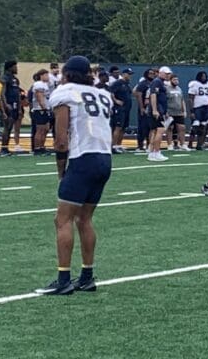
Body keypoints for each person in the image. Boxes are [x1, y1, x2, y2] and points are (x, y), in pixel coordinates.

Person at [35, 55, 113, 295]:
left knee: (63, 220)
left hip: (83, 158)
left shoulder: (64, 92)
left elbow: (60, 138)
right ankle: (87, 276)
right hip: (105, 157)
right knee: (85, 219)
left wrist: (61, 169)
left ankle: (63, 279)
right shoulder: (103, 93)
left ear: (67, 74)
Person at [145, 67, 171, 162]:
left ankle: (152, 152)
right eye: (166, 73)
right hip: (157, 110)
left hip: (160, 110)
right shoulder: (157, 82)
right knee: (160, 130)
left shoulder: (160, 82)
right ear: (161, 73)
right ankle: (156, 152)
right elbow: (153, 95)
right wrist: (155, 110)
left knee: (156, 131)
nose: (168, 75)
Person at [0, 60, 23, 155]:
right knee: (7, 126)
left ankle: (6, 148)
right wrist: (5, 104)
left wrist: (19, 108)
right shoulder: (5, 78)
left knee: (10, 127)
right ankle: (3, 148)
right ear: (10, 67)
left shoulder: (15, 79)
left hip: (15, 105)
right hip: (8, 105)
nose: (16, 68)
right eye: (15, 66)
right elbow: (2, 93)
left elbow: (18, 94)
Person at [108, 68, 134, 154]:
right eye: (128, 74)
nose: (130, 76)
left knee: (123, 127)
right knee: (118, 127)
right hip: (119, 109)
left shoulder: (127, 84)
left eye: (130, 74)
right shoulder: (118, 83)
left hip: (126, 108)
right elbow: (110, 92)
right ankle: (113, 146)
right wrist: (115, 101)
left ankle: (119, 145)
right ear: (123, 74)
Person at [187, 71, 208, 151]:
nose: (204, 78)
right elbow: (190, 98)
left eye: (205, 76)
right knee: (195, 126)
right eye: (202, 76)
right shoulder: (194, 84)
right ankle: (190, 144)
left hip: (206, 108)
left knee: (204, 126)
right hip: (197, 108)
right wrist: (191, 111)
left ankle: (200, 144)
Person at [132, 69, 155, 153]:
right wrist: (141, 107)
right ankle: (140, 145)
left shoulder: (154, 83)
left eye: (153, 73)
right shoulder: (143, 83)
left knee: (151, 127)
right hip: (145, 107)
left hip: (152, 108)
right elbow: (138, 95)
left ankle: (149, 145)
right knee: (142, 127)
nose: (152, 75)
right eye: (150, 73)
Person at [29, 70, 52, 155]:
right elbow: (40, 97)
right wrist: (44, 107)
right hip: (39, 110)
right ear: (41, 75)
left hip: (45, 109)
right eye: (46, 75)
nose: (48, 77)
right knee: (40, 130)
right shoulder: (38, 84)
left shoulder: (45, 84)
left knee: (45, 129)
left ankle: (42, 147)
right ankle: (37, 148)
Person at [166, 75, 188, 151]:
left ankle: (183, 144)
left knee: (182, 128)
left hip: (179, 112)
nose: (176, 81)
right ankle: (169, 144)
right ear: (171, 80)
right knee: (170, 128)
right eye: (174, 79)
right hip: (170, 111)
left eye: (177, 80)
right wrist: (166, 111)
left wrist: (184, 110)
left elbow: (182, 100)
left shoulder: (179, 89)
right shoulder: (167, 89)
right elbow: (165, 101)